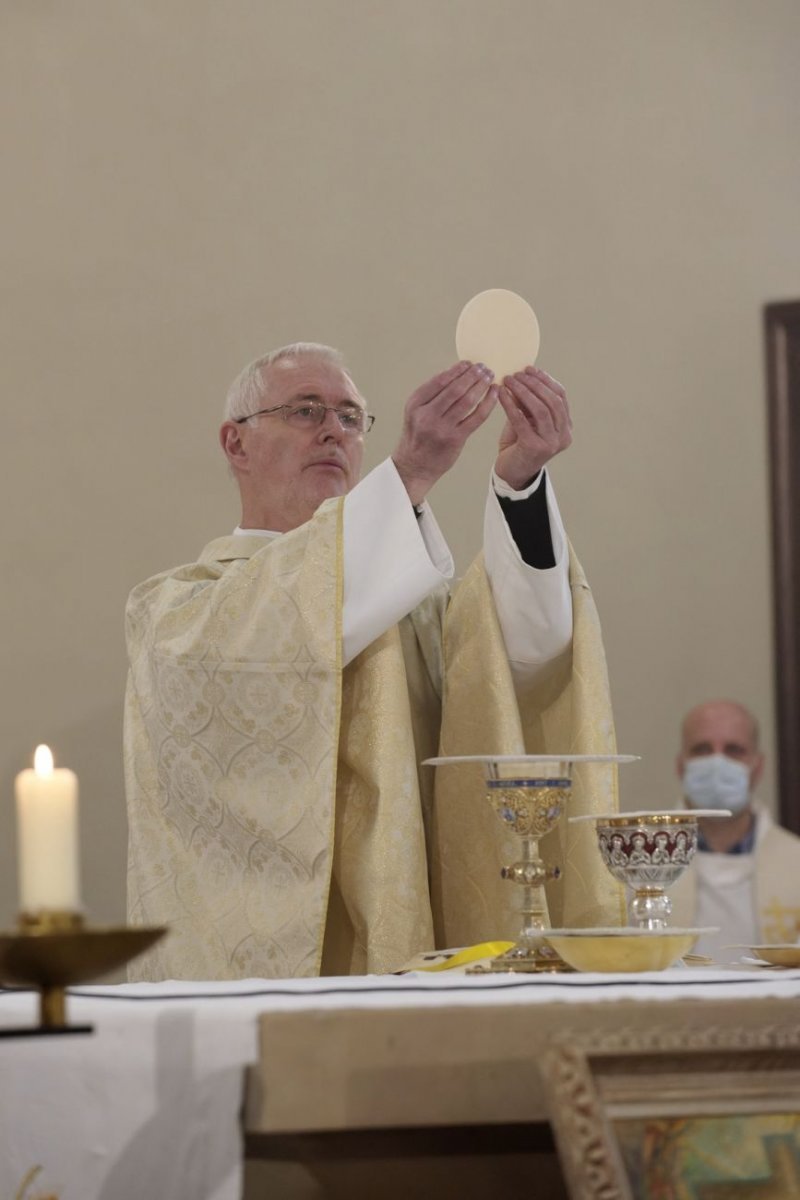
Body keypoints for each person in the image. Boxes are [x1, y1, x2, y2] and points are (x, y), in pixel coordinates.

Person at [124, 343, 624, 980]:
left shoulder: (412, 602)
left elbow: (527, 659)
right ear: (236, 443)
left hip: (423, 948)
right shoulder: (177, 613)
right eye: (306, 411)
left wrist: (519, 484)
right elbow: (286, 617)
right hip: (258, 979)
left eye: (352, 417)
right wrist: (410, 471)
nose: (335, 430)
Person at [670, 699, 800, 963]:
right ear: (681, 766)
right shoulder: (637, 860)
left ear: (758, 767)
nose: (717, 763)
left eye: (734, 750)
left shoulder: (795, 861)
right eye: (702, 749)